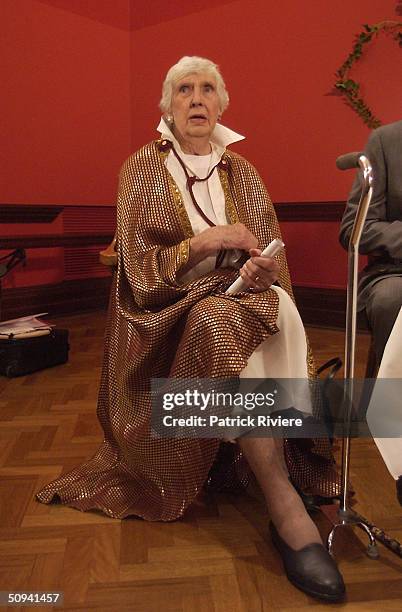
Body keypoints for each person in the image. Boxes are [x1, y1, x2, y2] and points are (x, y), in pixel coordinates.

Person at [37, 56, 344, 602]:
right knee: (218, 322)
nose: (197, 99)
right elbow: (135, 262)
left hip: (238, 295)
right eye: (185, 90)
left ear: (222, 105)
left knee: (266, 305)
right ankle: (282, 502)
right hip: (165, 306)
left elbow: (269, 247)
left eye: (207, 90)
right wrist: (202, 244)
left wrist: (261, 267)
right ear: (168, 107)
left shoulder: (242, 169)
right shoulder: (142, 167)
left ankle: (262, 454)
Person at [339, 119, 402, 368]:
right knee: (391, 298)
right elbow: (355, 228)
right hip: (394, 271)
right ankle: (389, 402)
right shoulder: (386, 141)